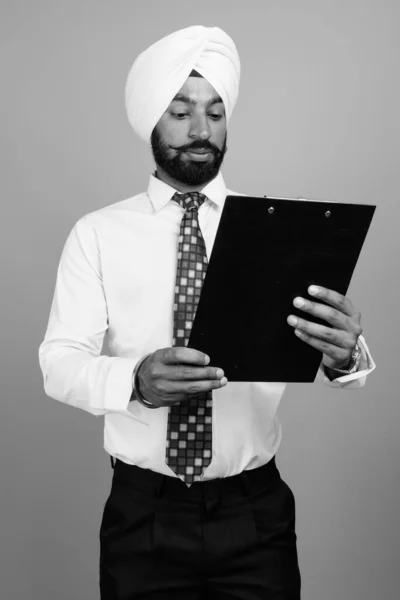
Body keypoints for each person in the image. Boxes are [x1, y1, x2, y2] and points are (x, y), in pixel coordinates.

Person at [38, 25, 376, 600]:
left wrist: (348, 353)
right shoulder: (97, 234)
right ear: (151, 120)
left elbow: (343, 364)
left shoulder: (280, 230)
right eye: (180, 112)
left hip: (255, 512)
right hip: (143, 515)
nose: (201, 131)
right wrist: (136, 381)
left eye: (216, 114)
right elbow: (59, 364)